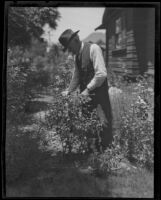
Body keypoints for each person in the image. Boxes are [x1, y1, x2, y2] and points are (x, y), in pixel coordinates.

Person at [58, 29, 113, 153]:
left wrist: (88, 89)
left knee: (104, 122)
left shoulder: (94, 49)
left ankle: (107, 154)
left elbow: (101, 74)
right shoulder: (76, 56)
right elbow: (76, 75)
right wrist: (69, 90)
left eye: (69, 47)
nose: (69, 51)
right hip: (86, 96)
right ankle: (92, 152)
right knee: (88, 122)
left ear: (76, 40)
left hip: (99, 95)